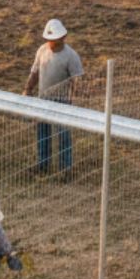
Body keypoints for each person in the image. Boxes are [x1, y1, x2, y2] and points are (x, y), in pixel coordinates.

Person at [25, 18, 83, 175]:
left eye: (55, 39)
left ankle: (66, 169)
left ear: (63, 37)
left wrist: (73, 100)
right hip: (43, 99)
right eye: (49, 39)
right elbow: (35, 72)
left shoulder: (71, 56)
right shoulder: (42, 51)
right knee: (42, 133)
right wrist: (28, 89)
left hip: (62, 101)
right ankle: (43, 165)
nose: (51, 42)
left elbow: (76, 80)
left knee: (63, 134)